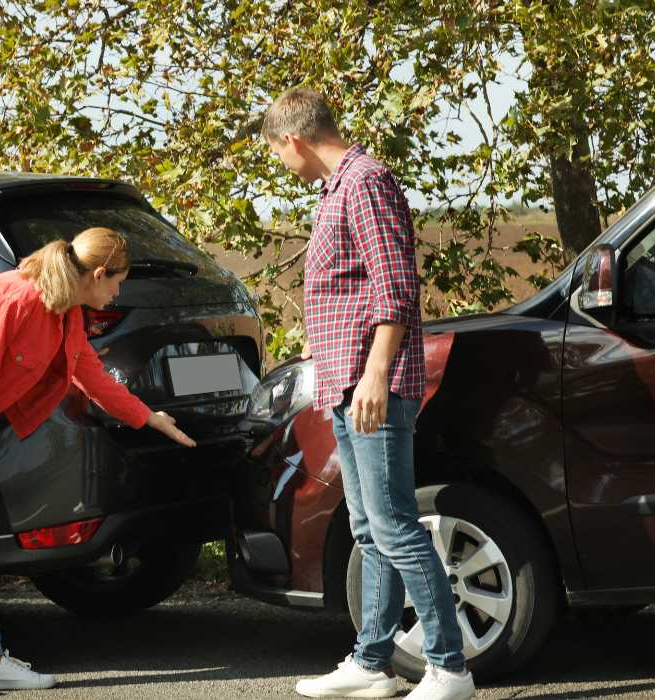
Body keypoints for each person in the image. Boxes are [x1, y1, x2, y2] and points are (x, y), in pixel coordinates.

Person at [0, 226, 196, 697]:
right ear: (95, 273)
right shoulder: (21, 297)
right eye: (116, 282)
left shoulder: (66, 310)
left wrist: (147, 417)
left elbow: (89, 373)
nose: (117, 292)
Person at [262, 89, 475, 700]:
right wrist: (321, 347)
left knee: (396, 525)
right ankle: (372, 663)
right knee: (368, 529)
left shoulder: (367, 181)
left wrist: (377, 373)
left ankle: (449, 669)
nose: (282, 165)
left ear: (292, 140)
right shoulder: (336, 189)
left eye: (277, 153)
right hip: (344, 379)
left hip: (370, 384)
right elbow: (347, 292)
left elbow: (396, 286)